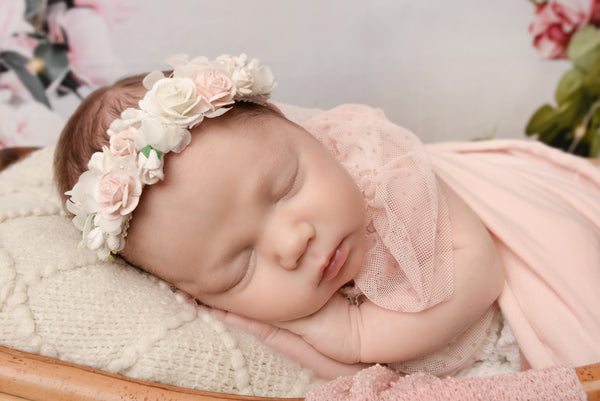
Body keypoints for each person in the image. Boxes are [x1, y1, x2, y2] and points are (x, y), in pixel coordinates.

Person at [54, 54, 600, 381]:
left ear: (300, 131)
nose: (291, 243)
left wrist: (356, 333)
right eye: (239, 265)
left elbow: (481, 273)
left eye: (284, 189)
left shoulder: (379, 165)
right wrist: (328, 344)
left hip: (506, 286)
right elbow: (329, 376)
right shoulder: (240, 316)